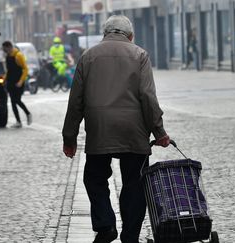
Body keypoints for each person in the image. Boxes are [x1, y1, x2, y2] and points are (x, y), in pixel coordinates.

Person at [62, 15, 170, 243]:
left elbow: (76, 101)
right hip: (134, 131)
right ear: (130, 36)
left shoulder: (87, 56)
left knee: (94, 178)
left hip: (99, 130)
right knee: (135, 183)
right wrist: (159, 132)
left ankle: (105, 226)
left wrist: (69, 137)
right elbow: (148, 97)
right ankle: (130, 236)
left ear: (105, 34)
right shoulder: (139, 55)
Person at [2, 41, 32, 128]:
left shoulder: (18, 56)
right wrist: (4, 79)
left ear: (9, 47)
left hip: (18, 82)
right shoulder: (8, 56)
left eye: (5, 49)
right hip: (10, 82)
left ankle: (28, 113)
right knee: (12, 102)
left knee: (17, 100)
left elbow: (25, 69)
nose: (4, 51)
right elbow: (9, 70)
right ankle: (18, 121)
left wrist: (21, 81)